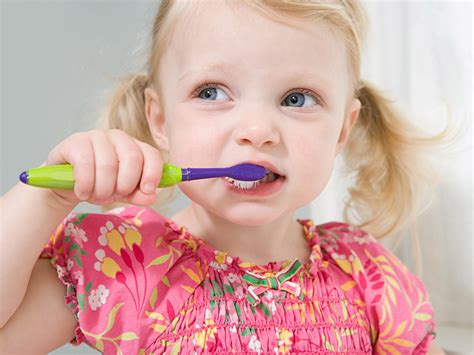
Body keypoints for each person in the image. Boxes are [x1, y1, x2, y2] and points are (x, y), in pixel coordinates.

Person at [0, 0, 453, 353]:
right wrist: (42, 200)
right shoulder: (128, 265)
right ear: (159, 119)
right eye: (212, 92)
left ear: (342, 129)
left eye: (297, 99)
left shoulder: (369, 276)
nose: (257, 131)